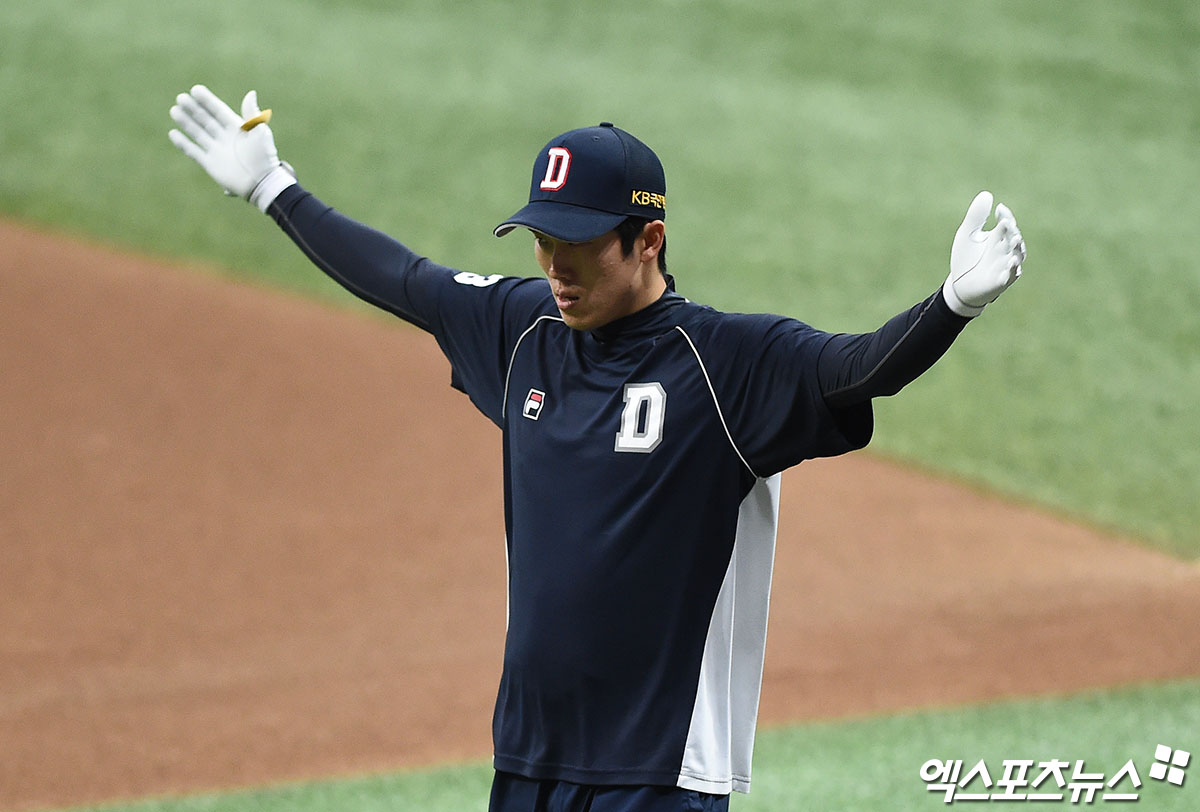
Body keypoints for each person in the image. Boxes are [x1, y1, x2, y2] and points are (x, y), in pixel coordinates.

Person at [168, 84, 1026, 812]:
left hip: (658, 769)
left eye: (577, 246)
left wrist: (952, 304)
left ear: (647, 240)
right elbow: (404, 279)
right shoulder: (523, 330)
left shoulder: (727, 362)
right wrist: (273, 186)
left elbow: (858, 368)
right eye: (542, 241)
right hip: (529, 756)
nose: (555, 266)